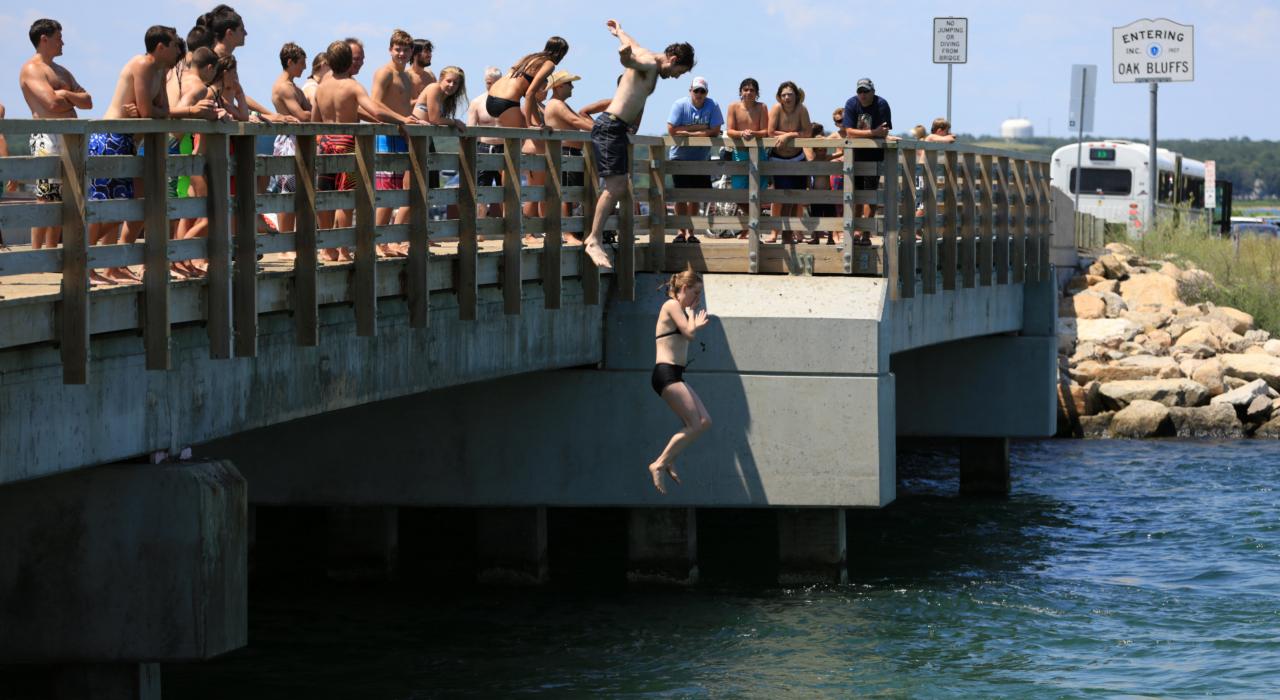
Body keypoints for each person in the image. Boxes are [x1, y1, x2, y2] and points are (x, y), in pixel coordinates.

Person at [584, 19, 694, 270]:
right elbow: (632, 60)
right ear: (674, 60)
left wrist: (619, 32)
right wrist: (624, 58)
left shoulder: (646, 52)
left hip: (616, 128)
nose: (677, 77)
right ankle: (593, 239)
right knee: (616, 184)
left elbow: (631, 44)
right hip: (611, 126)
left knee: (621, 183)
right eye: (681, 72)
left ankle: (596, 237)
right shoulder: (650, 64)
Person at [89, 25, 184, 284]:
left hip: (128, 143)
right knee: (106, 209)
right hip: (110, 140)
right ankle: (83, 263)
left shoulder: (160, 71)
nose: (179, 49)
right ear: (160, 47)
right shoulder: (142, 64)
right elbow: (147, 111)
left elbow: (161, 109)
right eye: (175, 44)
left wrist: (152, 110)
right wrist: (151, 110)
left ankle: (111, 265)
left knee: (132, 207)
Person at [313, 39, 420, 261]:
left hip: (325, 143)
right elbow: (376, 110)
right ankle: (343, 250)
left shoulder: (322, 85)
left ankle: (327, 248)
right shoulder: (352, 86)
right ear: (346, 61)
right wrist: (401, 119)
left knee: (326, 196)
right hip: (347, 144)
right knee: (346, 198)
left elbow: (314, 120)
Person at [20, 18, 93, 250]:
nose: (63, 43)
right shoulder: (32, 68)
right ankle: (36, 252)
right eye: (59, 38)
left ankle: (51, 252)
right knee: (46, 196)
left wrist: (65, 94)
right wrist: (70, 98)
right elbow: (51, 104)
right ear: (44, 39)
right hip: (46, 136)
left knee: (65, 197)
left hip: (70, 138)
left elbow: (88, 101)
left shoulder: (62, 71)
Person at [648, 266, 713, 495]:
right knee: (694, 424)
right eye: (695, 293)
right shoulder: (671, 305)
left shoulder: (682, 310)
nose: (698, 299)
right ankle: (659, 463)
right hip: (665, 374)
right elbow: (689, 334)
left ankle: (670, 459)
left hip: (676, 375)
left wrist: (692, 315)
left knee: (705, 421)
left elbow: (688, 331)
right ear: (683, 288)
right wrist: (694, 319)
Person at [371, 29, 417, 256]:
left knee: (400, 191)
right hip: (387, 136)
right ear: (390, 49)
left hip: (402, 135)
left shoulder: (407, 77)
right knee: (387, 192)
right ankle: (378, 242)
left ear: (411, 52)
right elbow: (375, 106)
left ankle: (387, 240)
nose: (401, 53)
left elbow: (405, 108)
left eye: (406, 49)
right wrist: (402, 120)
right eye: (397, 49)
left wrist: (410, 123)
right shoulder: (384, 73)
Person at [666, 76, 723, 244]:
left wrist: (689, 132)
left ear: (707, 92)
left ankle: (691, 232)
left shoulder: (712, 105)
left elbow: (716, 130)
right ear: (690, 90)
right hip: (680, 157)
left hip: (701, 158)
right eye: (696, 90)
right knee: (680, 197)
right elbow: (671, 130)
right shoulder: (680, 105)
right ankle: (680, 231)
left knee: (695, 197)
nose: (699, 94)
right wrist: (702, 128)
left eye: (702, 91)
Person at [412, 65, 467, 236]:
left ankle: (424, 235)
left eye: (455, 83)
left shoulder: (444, 97)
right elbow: (435, 119)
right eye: (448, 81)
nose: (451, 85)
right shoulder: (434, 88)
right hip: (417, 139)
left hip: (426, 140)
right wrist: (455, 122)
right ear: (441, 79)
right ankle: (409, 238)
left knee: (429, 188)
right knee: (418, 189)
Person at [270, 42, 311, 252]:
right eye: (302, 63)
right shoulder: (284, 87)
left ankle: (291, 243)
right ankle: (285, 245)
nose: (304, 68)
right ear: (290, 62)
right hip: (288, 142)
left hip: (297, 141)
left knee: (298, 192)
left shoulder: (294, 87)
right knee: (287, 191)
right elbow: (303, 115)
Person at [841, 78, 892, 246]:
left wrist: (869, 133)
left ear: (873, 91)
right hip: (853, 155)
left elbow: (884, 132)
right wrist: (873, 132)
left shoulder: (882, 104)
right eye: (860, 91)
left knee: (870, 195)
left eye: (866, 91)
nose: (862, 95)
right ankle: (854, 231)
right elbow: (848, 131)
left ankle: (865, 232)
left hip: (874, 155)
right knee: (854, 194)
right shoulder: (851, 103)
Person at [542, 69, 594, 232]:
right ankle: (568, 232)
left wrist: (598, 127)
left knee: (573, 194)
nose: (572, 87)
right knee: (568, 195)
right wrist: (601, 130)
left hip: (571, 153)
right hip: (566, 153)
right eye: (569, 84)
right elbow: (574, 121)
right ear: (557, 87)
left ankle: (572, 231)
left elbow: (579, 119)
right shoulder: (556, 104)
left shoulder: (560, 104)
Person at [765, 80, 811, 244]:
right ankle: (782, 233)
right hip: (779, 158)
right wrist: (791, 133)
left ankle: (789, 232)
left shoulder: (802, 109)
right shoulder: (776, 108)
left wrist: (787, 136)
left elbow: (807, 133)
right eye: (783, 95)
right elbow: (770, 132)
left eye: (790, 94)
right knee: (783, 197)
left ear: (796, 96)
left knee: (796, 197)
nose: (787, 97)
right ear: (779, 97)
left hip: (797, 157)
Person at [485, 36, 568, 128]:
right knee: (528, 136)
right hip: (507, 102)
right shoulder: (549, 64)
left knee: (516, 138)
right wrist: (530, 124)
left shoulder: (528, 57)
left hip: (490, 98)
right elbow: (530, 94)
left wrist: (539, 123)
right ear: (560, 53)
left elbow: (522, 88)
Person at [724, 77, 768, 239]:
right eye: (746, 89)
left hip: (758, 153)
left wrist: (753, 133)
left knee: (758, 193)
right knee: (738, 193)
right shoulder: (733, 107)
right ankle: (754, 221)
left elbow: (765, 131)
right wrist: (742, 133)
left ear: (757, 93)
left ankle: (752, 228)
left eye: (752, 90)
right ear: (741, 92)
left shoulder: (762, 107)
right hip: (740, 153)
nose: (749, 93)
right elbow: (730, 130)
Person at [465, 66, 504, 223]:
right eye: (489, 82)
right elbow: (470, 130)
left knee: (508, 190)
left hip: (504, 148)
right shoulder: (477, 102)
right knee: (481, 190)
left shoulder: (508, 103)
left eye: (496, 82)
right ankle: (479, 228)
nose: (492, 86)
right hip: (483, 148)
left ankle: (511, 228)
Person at [804, 123, 838, 245]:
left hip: (827, 192)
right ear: (814, 150)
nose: (822, 152)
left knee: (830, 216)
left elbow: (839, 153)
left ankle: (830, 237)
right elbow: (808, 177)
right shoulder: (812, 162)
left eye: (824, 149)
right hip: (815, 193)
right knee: (815, 217)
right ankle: (816, 237)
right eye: (819, 150)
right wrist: (808, 188)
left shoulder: (827, 158)